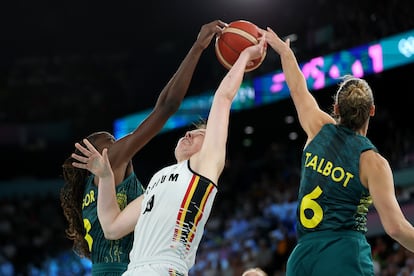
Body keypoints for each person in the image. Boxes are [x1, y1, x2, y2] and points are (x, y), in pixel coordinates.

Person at [70, 33, 267, 275]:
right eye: (190, 132)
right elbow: (111, 227)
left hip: (166, 268)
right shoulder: (157, 180)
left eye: (199, 135)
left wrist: (245, 55)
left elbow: (223, 97)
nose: (189, 134)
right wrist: (106, 177)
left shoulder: (204, 166)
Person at [263, 27, 414, 275]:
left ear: (336, 108)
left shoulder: (317, 127)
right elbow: (396, 228)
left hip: (302, 259)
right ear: (372, 111)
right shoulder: (373, 163)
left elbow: (297, 88)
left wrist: (284, 51)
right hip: (344, 256)